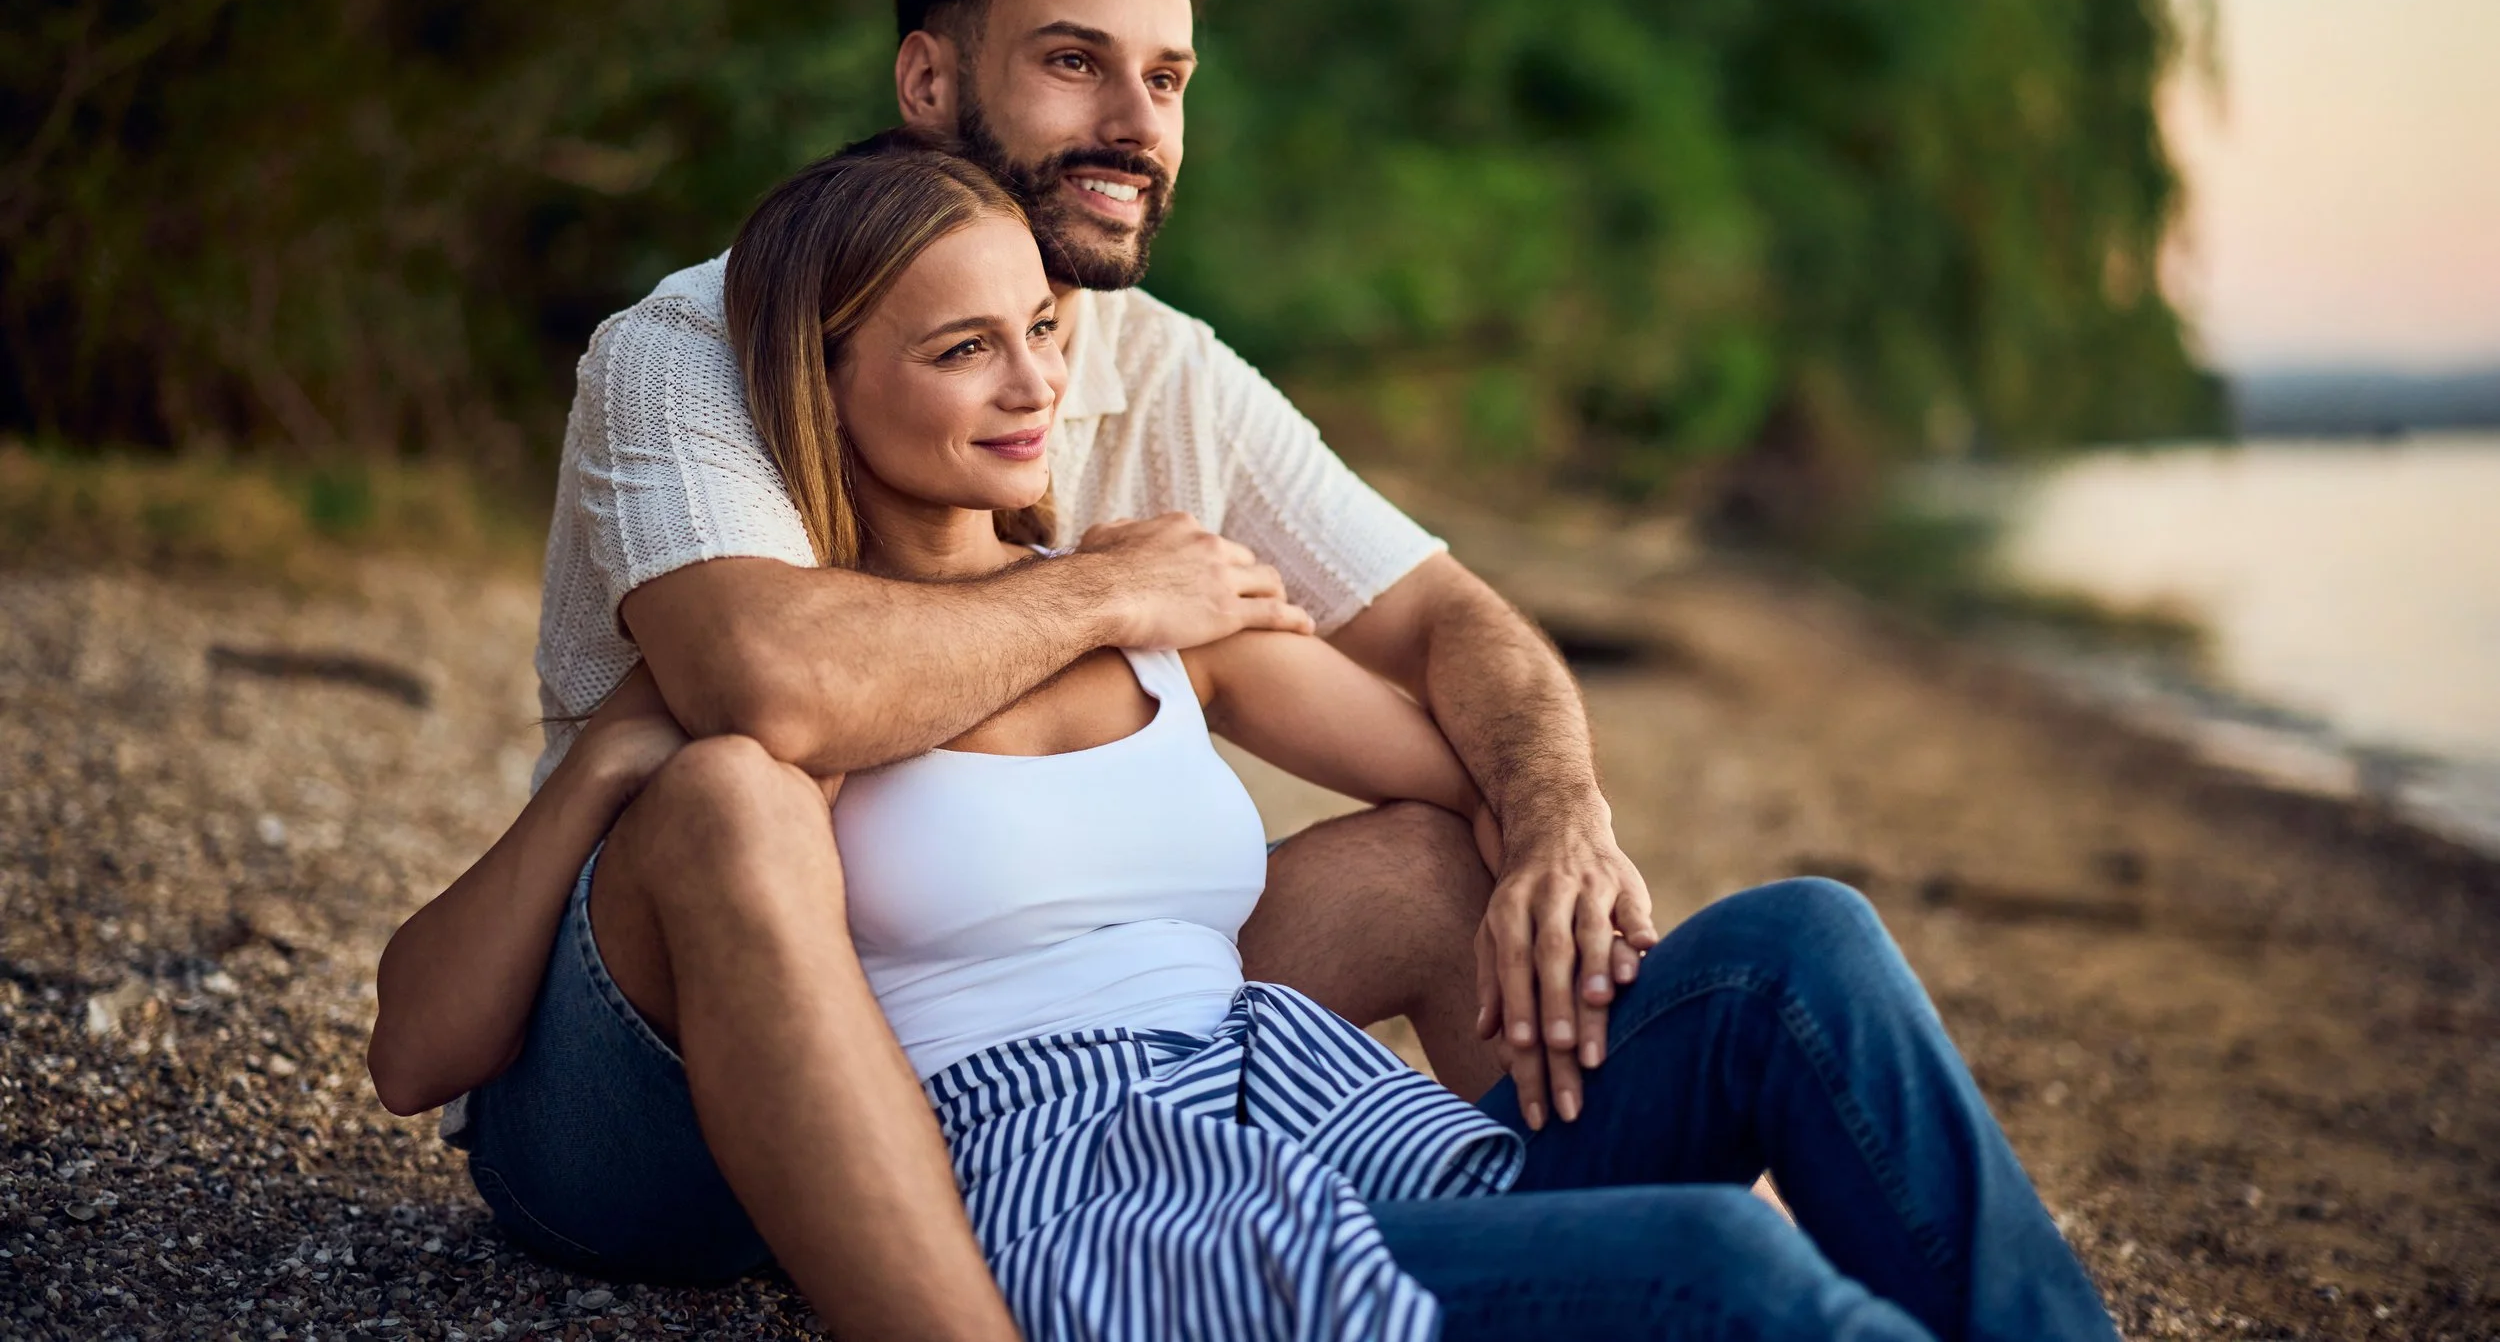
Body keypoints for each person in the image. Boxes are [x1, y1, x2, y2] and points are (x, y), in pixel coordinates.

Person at [388, 142, 2118, 1340]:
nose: (1031, 386)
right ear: (824, 385)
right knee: (1728, 1263)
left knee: (1797, 944)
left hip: (1301, 1104)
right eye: (964, 346)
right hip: (1094, 1184)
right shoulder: (797, 688)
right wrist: (613, 768)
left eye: (1044, 332)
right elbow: (417, 1046)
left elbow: (1452, 749)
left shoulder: (1157, 600)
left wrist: (1563, 829)